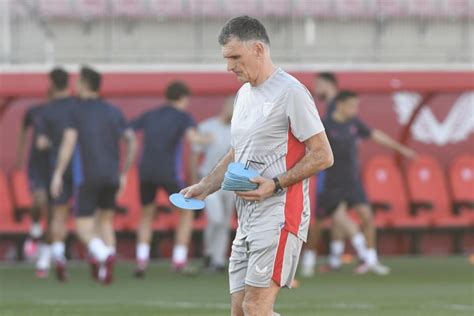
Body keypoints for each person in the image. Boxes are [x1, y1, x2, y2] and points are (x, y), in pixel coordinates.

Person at [180, 16, 333, 316]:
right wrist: (205, 186)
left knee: (255, 308)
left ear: (259, 49)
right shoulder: (243, 96)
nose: (229, 67)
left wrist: (275, 184)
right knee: (240, 311)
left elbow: (323, 154)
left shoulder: (291, 92)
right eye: (226, 59)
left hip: (279, 215)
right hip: (246, 219)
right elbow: (238, 152)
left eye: (235, 57)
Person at [308, 90, 416, 276]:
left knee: (366, 216)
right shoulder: (325, 125)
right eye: (352, 105)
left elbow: (377, 135)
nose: (355, 109)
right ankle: (309, 260)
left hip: (352, 182)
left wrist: (401, 149)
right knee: (321, 224)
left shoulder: (354, 124)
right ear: (340, 105)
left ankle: (371, 260)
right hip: (331, 182)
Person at [50, 66, 137, 284]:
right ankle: (104, 271)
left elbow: (69, 143)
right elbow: (132, 140)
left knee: (82, 227)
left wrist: (58, 173)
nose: (75, 85)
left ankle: (103, 255)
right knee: (106, 222)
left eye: (78, 81)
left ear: (86, 84)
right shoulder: (112, 111)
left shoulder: (76, 111)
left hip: (87, 176)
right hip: (112, 176)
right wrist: (125, 171)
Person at [131, 81, 211, 277]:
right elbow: (192, 138)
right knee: (186, 213)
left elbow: (129, 131)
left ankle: (141, 261)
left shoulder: (151, 114)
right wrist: (208, 139)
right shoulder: (183, 117)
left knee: (147, 214)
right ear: (183, 98)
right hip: (168, 172)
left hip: (146, 171)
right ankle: (179, 259)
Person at [34, 67, 77, 281]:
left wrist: (53, 143)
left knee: (55, 216)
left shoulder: (46, 111)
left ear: (51, 83)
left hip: (56, 168)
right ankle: (103, 258)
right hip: (81, 168)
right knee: (93, 218)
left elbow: (41, 143)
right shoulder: (79, 106)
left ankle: (54, 258)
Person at [191, 97, 234, 272]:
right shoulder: (207, 126)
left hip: (230, 182)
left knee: (224, 221)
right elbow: (195, 153)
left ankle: (217, 259)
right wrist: (194, 179)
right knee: (215, 218)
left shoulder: (237, 129)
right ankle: (208, 251)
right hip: (208, 180)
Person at [15, 96, 51, 265]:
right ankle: (36, 229)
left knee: (54, 211)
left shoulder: (69, 113)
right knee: (38, 200)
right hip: (37, 167)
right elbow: (23, 129)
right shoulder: (35, 112)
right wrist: (19, 155)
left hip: (58, 166)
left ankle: (47, 253)